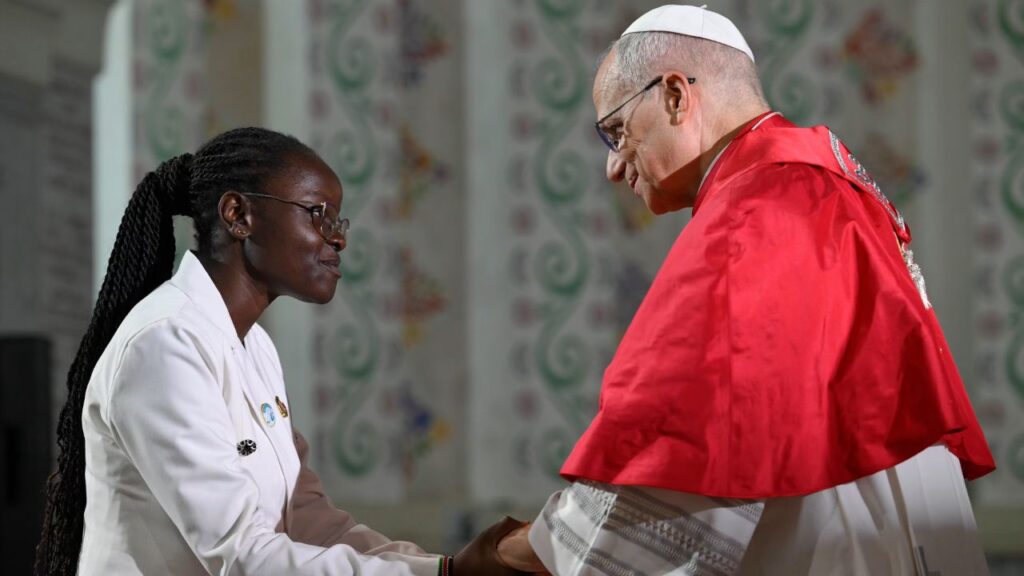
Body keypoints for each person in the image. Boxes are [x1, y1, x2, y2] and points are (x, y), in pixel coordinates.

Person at [495, 5, 997, 576]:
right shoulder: (815, 180)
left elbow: (684, 423)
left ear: (676, 97)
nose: (613, 166)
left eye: (616, 131)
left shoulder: (759, 207)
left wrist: (523, 553)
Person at [35, 127, 529, 575]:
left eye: (339, 220)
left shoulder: (255, 348)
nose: (337, 238)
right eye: (318, 214)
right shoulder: (164, 344)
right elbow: (242, 555)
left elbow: (307, 521)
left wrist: (443, 567)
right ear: (239, 215)